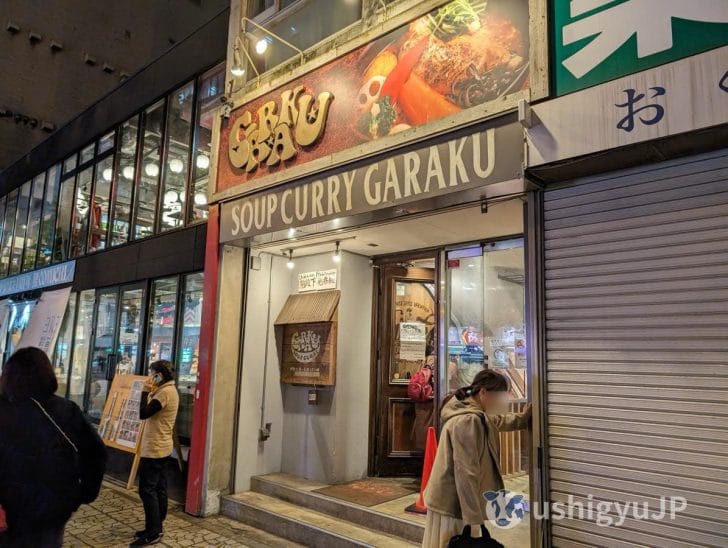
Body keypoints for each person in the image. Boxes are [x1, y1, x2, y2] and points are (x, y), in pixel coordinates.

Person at [0, 347, 107, 547]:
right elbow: (97, 454)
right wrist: (83, 494)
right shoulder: (67, 410)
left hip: (10, 511)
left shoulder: (4, 410)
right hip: (54, 510)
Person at [422, 369, 531, 547]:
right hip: (454, 505)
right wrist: (473, 518)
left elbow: (498, 421)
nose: (503, 402)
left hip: (455, 502)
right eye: (501, 396)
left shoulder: (473, 411)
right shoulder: (468, 421)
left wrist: (524, 419)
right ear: (483, 393)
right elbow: (466, 472)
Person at [132, 360, 179, 546]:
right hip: (162, 447)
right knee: (158, 487)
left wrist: (144, 391)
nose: (150, 377)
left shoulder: (165, 393)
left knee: (147, 490)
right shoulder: (167, 390)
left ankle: (154, 531)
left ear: (159, 375)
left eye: (152, 373)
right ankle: (156, 525)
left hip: (155, 449)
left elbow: (143, 413)